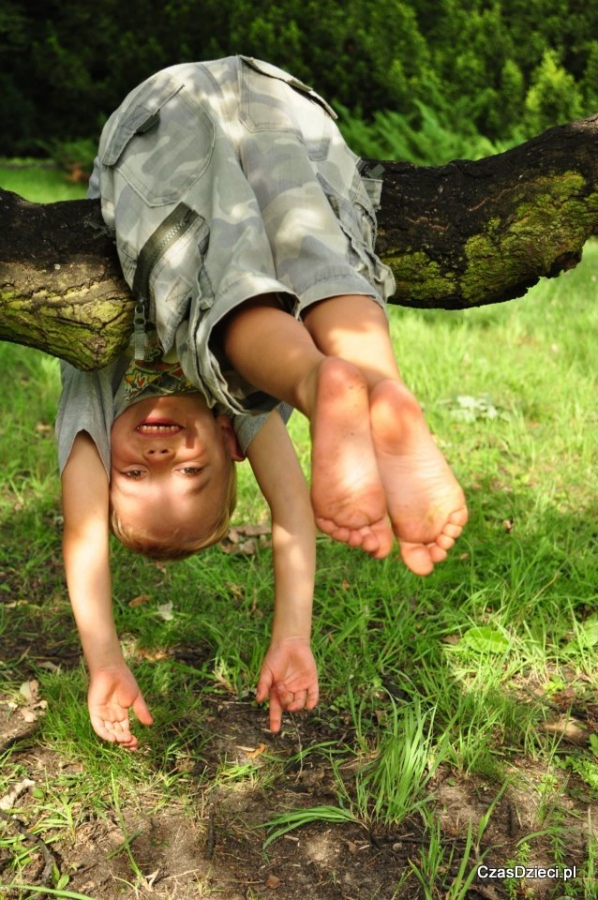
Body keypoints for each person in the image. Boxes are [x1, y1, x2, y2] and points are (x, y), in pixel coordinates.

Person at [57, 55, 467, 749]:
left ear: (103, 474)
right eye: (189, 473)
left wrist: (105, 659)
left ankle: (316, 384)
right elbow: (294, 513)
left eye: (133, 475)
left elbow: (83, 538)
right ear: (229, 446)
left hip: (166, 115)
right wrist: (291, 636)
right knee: (317, 250)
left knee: (210, 282)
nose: (159, 455)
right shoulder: (231, 417)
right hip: (288, 108)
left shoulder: (96, 397)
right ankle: (367, 382)